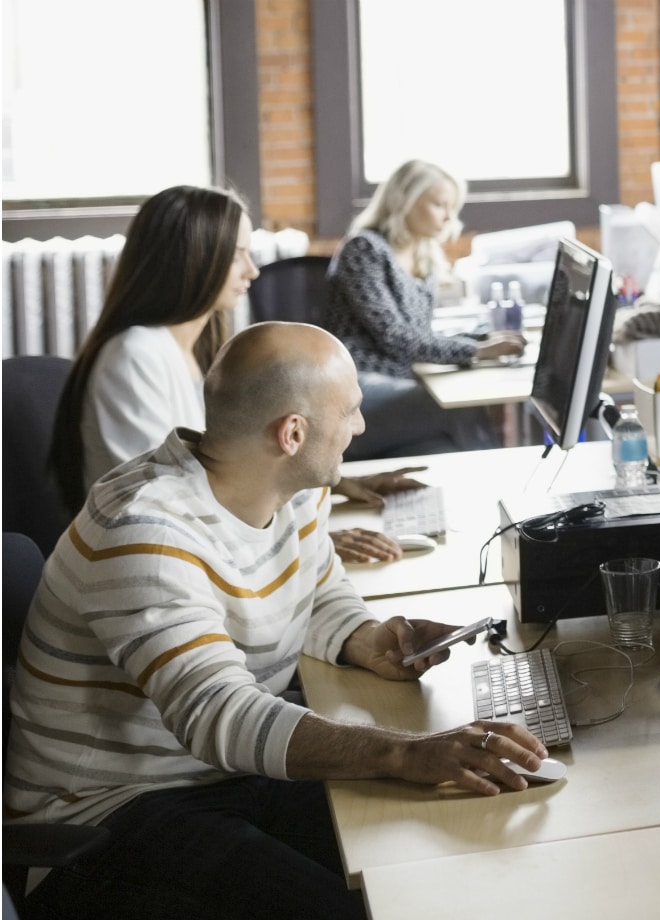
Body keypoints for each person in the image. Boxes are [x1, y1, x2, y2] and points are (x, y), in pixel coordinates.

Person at [6, 322, 549, 920]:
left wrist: (364, 639)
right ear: (292, 433)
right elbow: (218, 715)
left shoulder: (287, 485)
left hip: (221, 777)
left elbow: (317, 588)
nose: (362, 427)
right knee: (353, 905)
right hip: (106, 816)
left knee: (425, 862)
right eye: (350, 412)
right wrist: (405, 752)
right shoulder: (148, 534)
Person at [48, 184, 421, 563]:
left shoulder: (195, 347)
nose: (253, 270)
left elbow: (234, 462)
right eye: (237, 254)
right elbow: (160, 499)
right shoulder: (135, 355)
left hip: (194, 546)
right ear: (192, 258)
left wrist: (342, 484)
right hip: (157, 558)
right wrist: (298, 542)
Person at [327, 158, 520, 458]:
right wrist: (475, 351)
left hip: (398, 381)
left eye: (452, 208)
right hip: (355, 387)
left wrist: (482, 339)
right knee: (456, 407)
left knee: (443, 450)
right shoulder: (364, 249)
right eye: (440, 205)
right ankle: (509, 491)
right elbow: (396, 336)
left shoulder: (424, 257)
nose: (449, 218)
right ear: (404, 201)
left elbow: (420, 334)